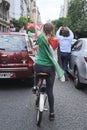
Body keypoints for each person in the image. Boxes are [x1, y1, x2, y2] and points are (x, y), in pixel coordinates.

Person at [32, 7, 65, 121]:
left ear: (43, 29)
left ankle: (36, 85)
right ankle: (51, 113)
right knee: (50, 91)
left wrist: (34, 14)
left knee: (35, 68)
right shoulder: (56, 40)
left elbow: (35, 25)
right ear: (52, 29)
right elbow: (55, 52)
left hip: (40, 65)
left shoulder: (40, 37)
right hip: (50, 68)